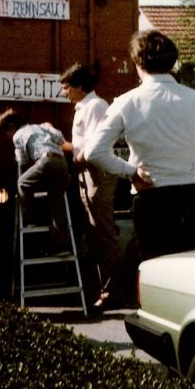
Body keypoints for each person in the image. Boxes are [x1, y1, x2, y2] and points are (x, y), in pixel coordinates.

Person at [84, 29, 195, 261]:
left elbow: (94, 151)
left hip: (151, 198)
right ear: (172, 61)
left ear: (138, 63)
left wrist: (131, 173)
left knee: (154, 274)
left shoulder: (126, 102)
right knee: (194, 278)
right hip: (192, 198)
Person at [60, 62, 124, 310]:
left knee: (103, 233)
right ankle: (104, 289)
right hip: (88, 175)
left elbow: (95, 146)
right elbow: (82, 146)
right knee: (95, 234)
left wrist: (72, 153)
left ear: (78, 86)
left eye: (66, 88)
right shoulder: (84, 107)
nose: (64, 93)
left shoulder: (96, 106)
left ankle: (114, 290)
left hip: (98, 175)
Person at [0, 108, 71, 253]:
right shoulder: (41, 127)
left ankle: (30, 221)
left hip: (46, 161)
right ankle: (63, 245)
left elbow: (21, 161)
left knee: (22, 183)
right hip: (61, 163)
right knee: (56, 200)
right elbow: (60, 139)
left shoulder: (17, 135)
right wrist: (49, 127)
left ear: (11, 127)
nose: (7, 137)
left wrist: (26, 172)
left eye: (5, 134)